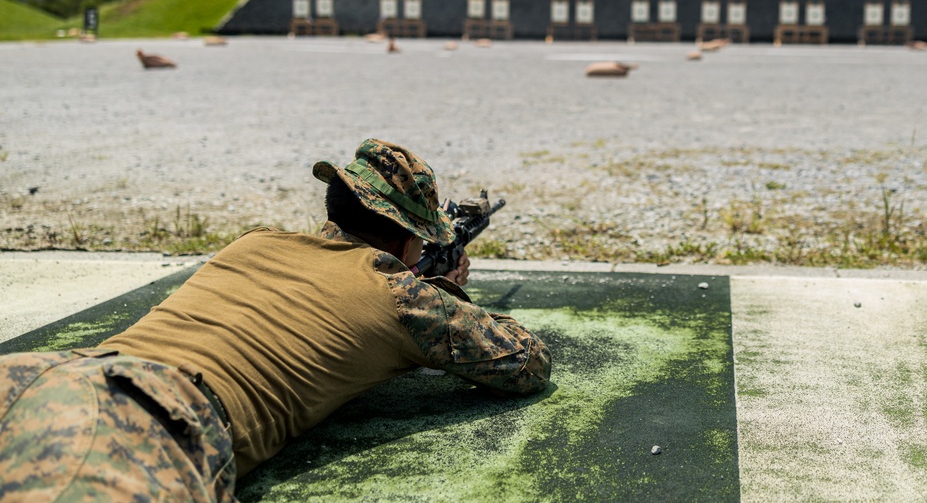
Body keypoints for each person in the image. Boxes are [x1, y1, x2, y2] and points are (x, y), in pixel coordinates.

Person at [0, 139, 551, 501]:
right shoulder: (403, 297)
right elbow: (525, 362)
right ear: (410, 237)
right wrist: (448, 296)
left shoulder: (254, 243)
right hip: (147, 419)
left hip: (40, 374)